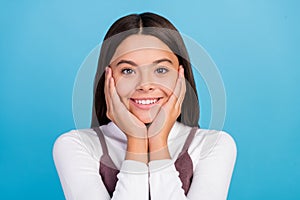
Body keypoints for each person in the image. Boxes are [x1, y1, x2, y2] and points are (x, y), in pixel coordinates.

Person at [53, 12, 237, 200]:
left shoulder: (213, 145)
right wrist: (136, 140)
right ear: (108, 78)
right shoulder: (77, 145)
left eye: (161, 70)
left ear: (180, 77)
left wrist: (158, 141)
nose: (145, 84)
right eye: (128, 70)